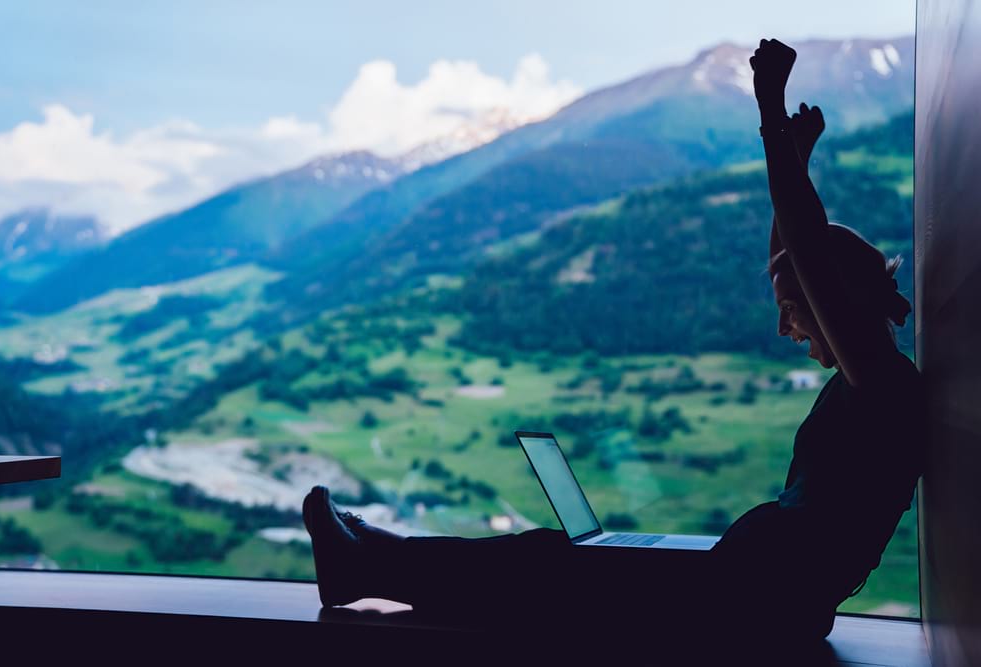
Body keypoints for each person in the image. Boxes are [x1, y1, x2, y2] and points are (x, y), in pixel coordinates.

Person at [302, 38, 924, 645]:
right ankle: (369, 551)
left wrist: (768, 113)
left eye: (794, 311)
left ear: (836, 301)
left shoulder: (882, 384)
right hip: (751, 593)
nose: (785, 326)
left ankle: (359, 565)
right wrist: (797, 160)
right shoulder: (870, 378)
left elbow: (808, 254)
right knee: (549, 555)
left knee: (548, 568)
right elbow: (797, 258)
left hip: (754, 607)